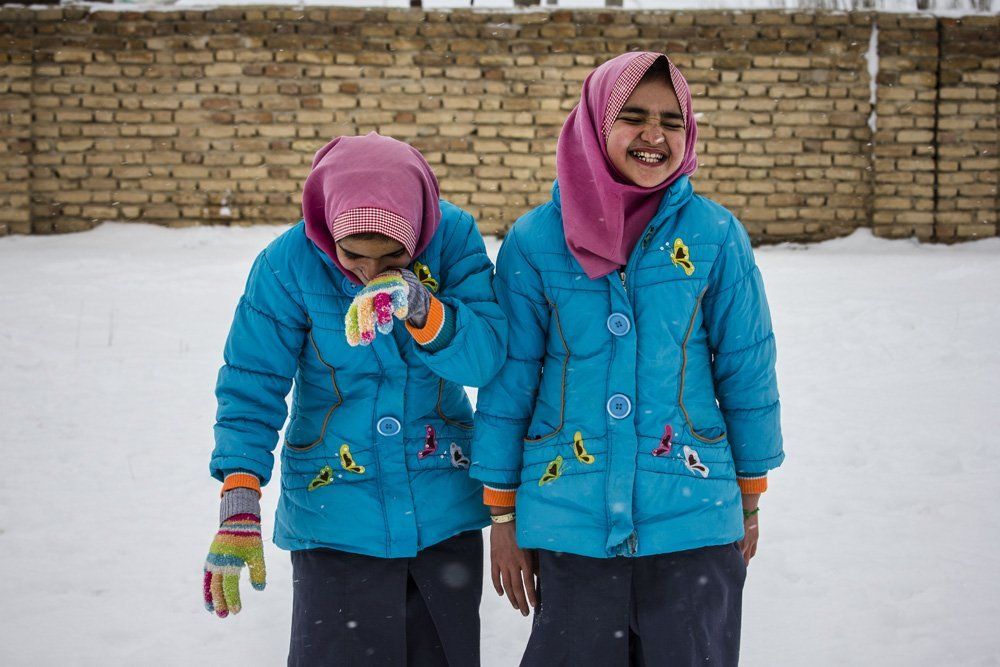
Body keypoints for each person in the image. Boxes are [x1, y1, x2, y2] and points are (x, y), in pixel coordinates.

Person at [470, 52, 784, 666]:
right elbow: (511, 384)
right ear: (595, 123)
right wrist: (503, 514)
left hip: (692, 516)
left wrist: (748, 495)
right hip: (570, 518)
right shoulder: (537, 242)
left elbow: (747, 372)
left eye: (671, 120)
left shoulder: (715, 237)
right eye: (633, 116)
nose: (654, 135)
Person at [201, 132, 507, 666]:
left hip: (440, 509)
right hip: (333, 515)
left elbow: (484, 360)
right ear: (327, 230)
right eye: (354, 255)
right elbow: (252, 383)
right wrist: (239, 500)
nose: (371, 271)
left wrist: (421, 307)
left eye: (394, 255)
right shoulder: (286, 265)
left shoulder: (452, 238)